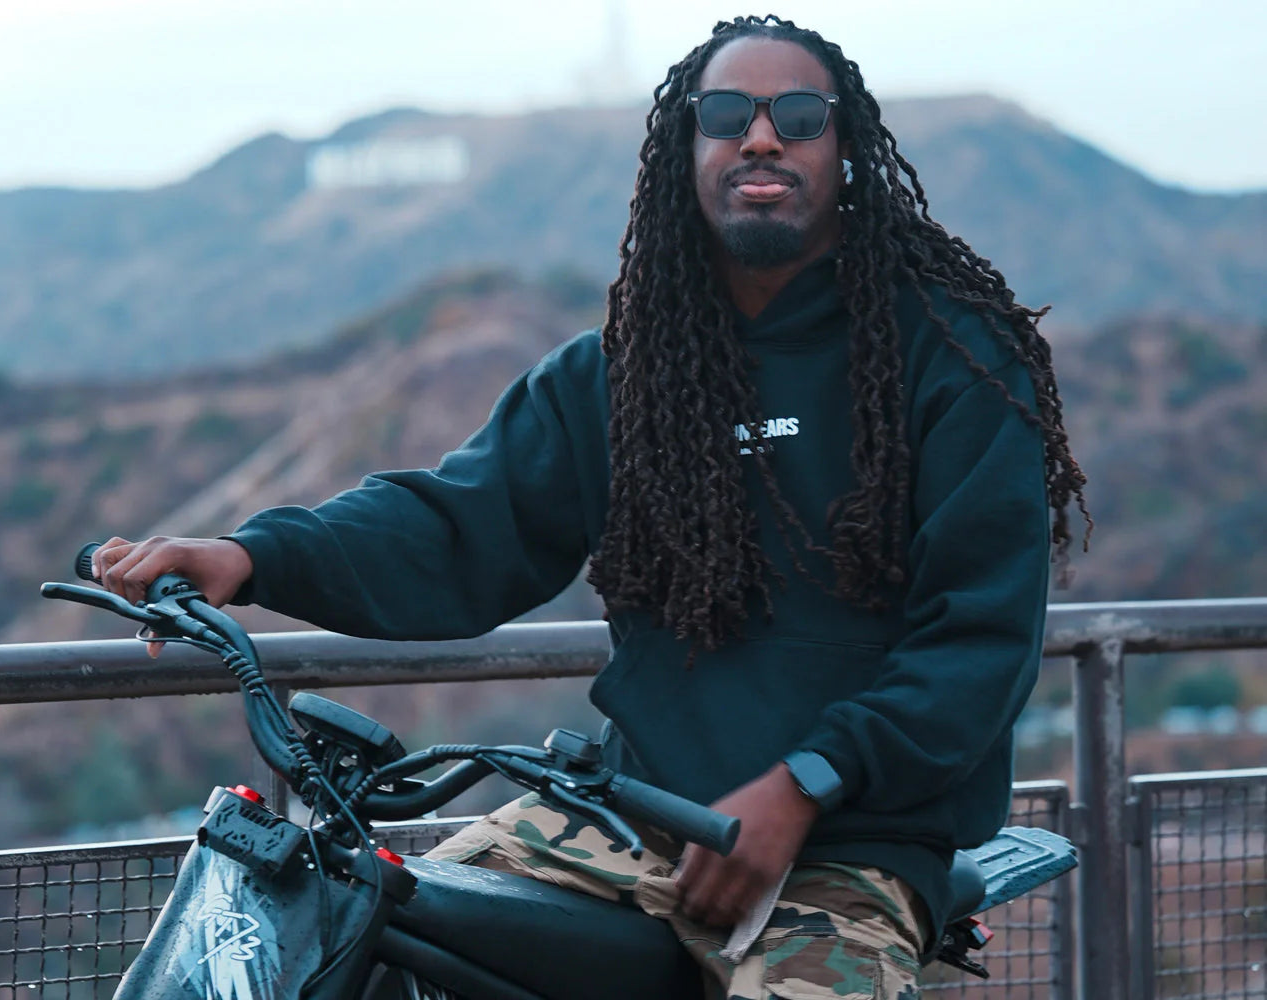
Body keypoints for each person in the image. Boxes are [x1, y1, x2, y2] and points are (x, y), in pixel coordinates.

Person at [91, 14, 1090, 999]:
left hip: (850, 849)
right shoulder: (620, 376)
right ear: (685, 151)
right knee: (367, 927)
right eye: (727, 115)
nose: (760, 136)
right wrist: (253, 557)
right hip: (626, 818)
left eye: (798, 115)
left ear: (847, 147)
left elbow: (979, 639)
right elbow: (458, 526)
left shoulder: (951, 359)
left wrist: (808, 783)